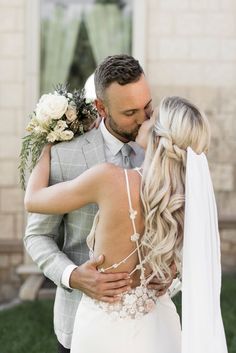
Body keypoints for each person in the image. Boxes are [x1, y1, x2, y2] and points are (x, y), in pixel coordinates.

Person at [24, 96, 228, 353]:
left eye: (151, 116)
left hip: (103, 331)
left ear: (159, 133)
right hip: (160, 327)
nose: (143, 118)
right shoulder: (186, 202)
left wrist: (47, 148)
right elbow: (189, 266)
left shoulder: (108, 180)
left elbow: (33, 200)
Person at [24, 55, 173, 353]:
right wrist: (72, 276)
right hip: (82, 324)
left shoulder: (163, 151)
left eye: (147, 106)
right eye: (130, 112)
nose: (144, 118)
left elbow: (177, 223)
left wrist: (172, 270)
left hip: (149, 325)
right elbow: (37, 235)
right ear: (101, 108)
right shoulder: (65, 156)